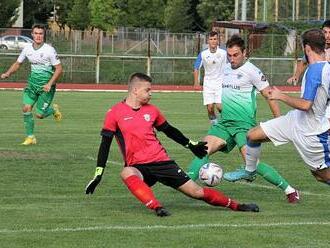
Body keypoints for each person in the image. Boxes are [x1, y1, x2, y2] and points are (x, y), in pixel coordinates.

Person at [85, 72, 259, 217]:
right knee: (126, 172)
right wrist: (98, 174)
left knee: (196, 192)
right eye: (148, 90)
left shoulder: (152, 110)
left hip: (162, 162)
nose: (150, 93)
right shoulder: (114, 113)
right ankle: (157, 207)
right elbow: (105, 144)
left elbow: (170, 131)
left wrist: (191, 145)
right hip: (138, 166)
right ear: (135, 90)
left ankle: (237, 206)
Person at [188, 35, 299, 203]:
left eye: (236, 55)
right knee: (202, 149)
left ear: (244, 53)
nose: (232, 59)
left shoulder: (253, 71)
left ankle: (289, 190)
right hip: (224, 123)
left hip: (244, 126)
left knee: (251, 162)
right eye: (229, 55)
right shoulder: (224, 68)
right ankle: (185, 184)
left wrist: (279, 120)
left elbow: (269, 95)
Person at [226, 29, 330, 186]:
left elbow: (306, 105)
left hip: (311, 133)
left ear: (306, 48)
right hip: (296, 120)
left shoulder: (316, 71)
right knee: (253, 135)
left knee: (321, 176)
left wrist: (281, 96)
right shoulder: (325, 68)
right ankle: (250, 171)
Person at [0, 24, 63, 145]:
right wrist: (7, 73)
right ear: (32, 34)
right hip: (32, 85)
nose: (38, 36)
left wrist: (50, 84)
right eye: (36, 33)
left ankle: (54, 110)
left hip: (46, 87)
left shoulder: (49, 50)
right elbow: (18, 63)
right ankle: (30, 137)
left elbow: (59, 69)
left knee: (40, 114)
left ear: (44, 35)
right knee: (26, 108)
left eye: (41, 34)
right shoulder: (27, 48)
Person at [193, 31, 227, 125]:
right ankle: (215, 126)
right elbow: (196, 68)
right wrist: (196, 83)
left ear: (218, 41)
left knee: (220, 107)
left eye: (215, 39)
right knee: (210, 108)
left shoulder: (224, 53)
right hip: (208, 84)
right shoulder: (203, 54)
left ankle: (227, 123)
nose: (213, 41)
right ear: (208, 41)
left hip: (221, 84)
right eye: (211, 39)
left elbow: (231, 65)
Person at [286, 20, 330, 85]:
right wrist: (296, 76)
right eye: (325, 32)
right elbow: (303, 62)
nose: (327, 36)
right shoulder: (316, 48)